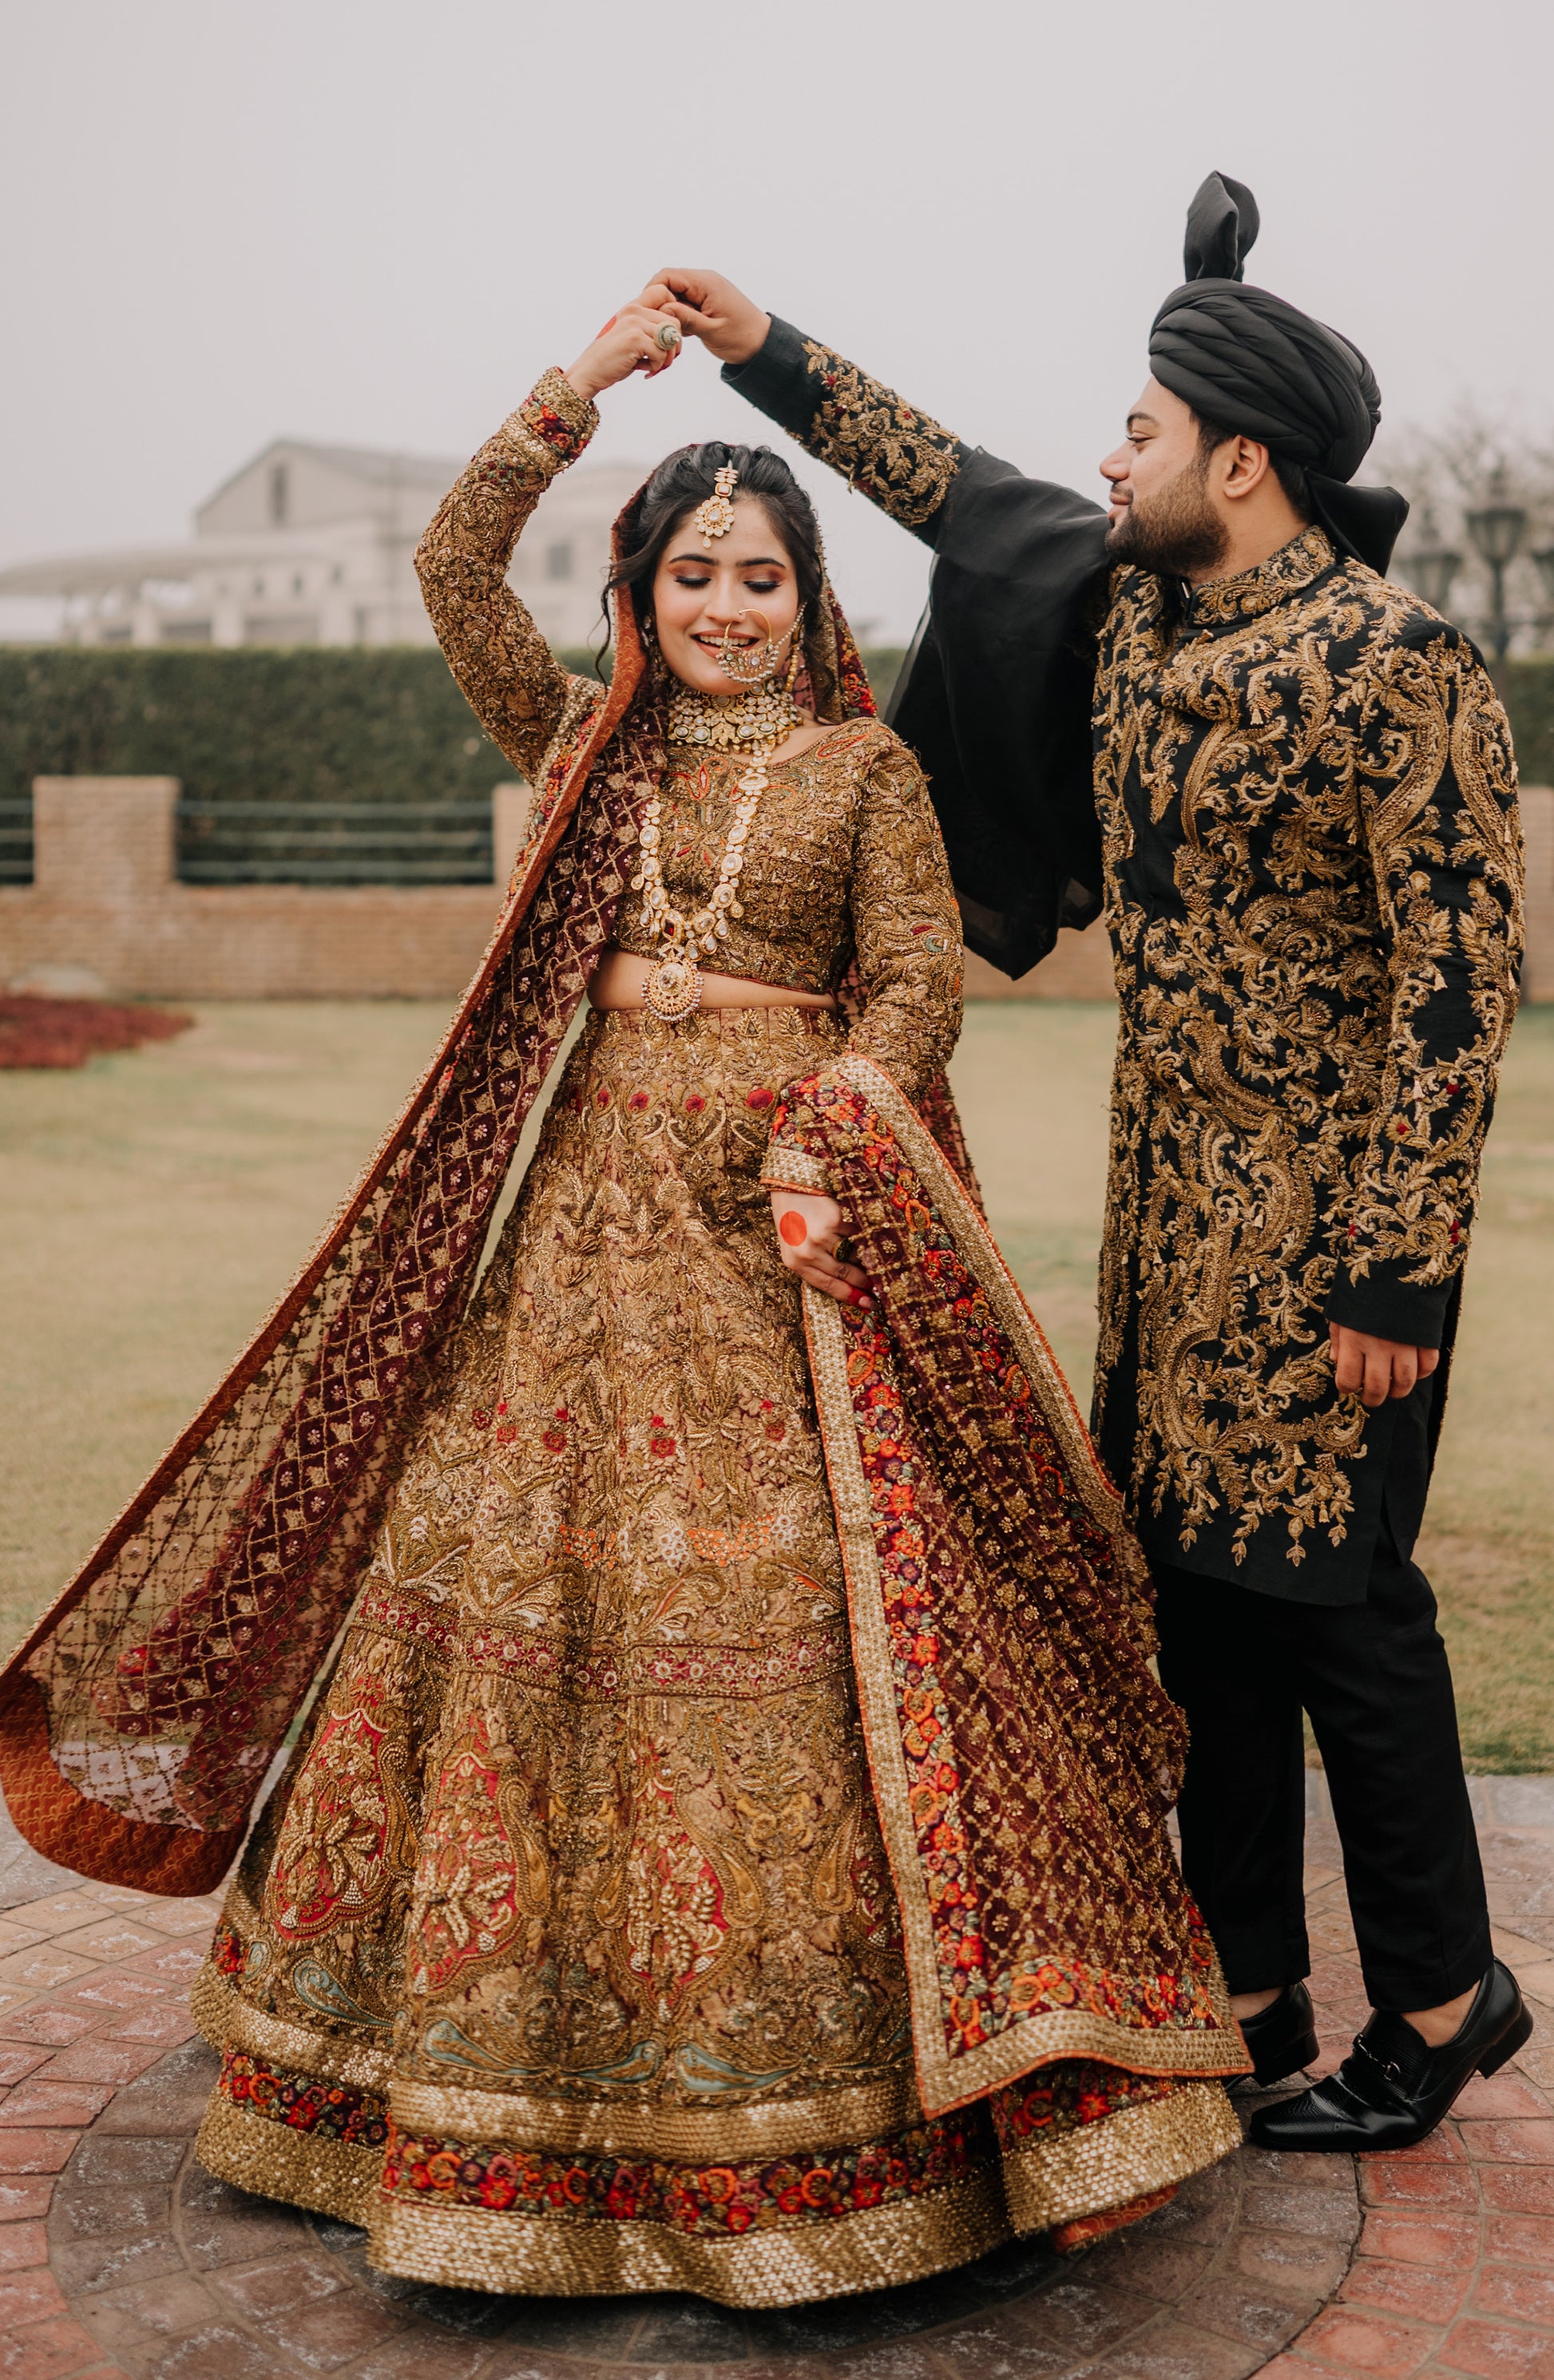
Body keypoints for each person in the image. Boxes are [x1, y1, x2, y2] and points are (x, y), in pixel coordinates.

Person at [0, 292, 1245, 2307]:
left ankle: (835, 2123)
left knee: (781, 1628)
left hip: (784, 1238)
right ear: (643, 590)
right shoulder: (582, 742)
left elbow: (919, 979)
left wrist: (837, 1112)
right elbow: (447, 567)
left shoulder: (862, 771)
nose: (730, 607)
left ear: (803, 591)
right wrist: (575, 389)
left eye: (761, 576)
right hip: (577, 1235)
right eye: (694, 575)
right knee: (522, 1606)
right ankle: (475, 2097)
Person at [664, 168, 1529, 2155]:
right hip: (1167, 1237)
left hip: (1330, 1254)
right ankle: (1244, 1990)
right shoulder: (1137, 605)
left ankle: (1441, 1996)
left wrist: (1398, 1271)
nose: (1106, 455)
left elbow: (1456, 987)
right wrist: (763, 349)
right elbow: (949, 487)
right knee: (1200, 1606)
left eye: (1140, 432)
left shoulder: (1400, 665)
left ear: (1239, 458)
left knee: (1341, 1610)